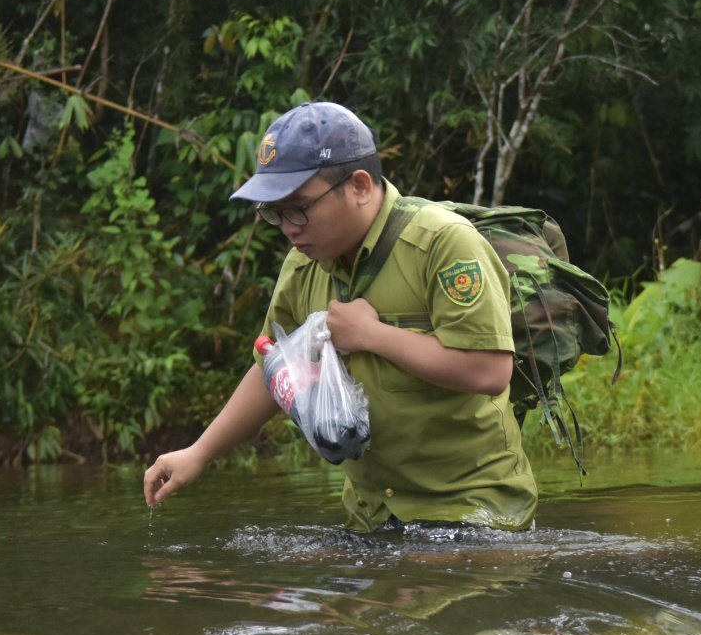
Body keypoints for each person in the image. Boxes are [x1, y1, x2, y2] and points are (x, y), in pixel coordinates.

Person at [143, 101, 538, 530]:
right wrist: (197, 454)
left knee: (407, 587)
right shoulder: (302, 264)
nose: (288, 227)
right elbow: (274, 367)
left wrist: (372, 335)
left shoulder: (443, 244)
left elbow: (489, 370)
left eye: (297, 207)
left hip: (473, 511)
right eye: (273, 213)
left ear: (361, 186)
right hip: (371, 516)